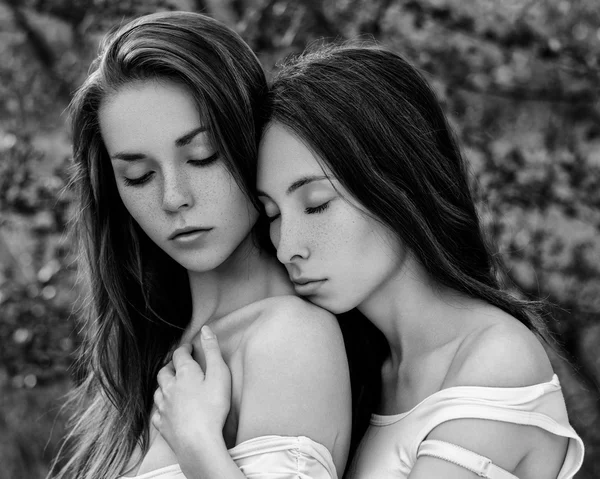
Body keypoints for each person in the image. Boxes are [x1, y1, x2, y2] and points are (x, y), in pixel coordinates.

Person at [157, 44, 585, 478]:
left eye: (317, 204)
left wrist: (199, 446)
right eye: (272, 215)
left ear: (396, 182)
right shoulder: (365, 372)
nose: (288, 247)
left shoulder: (495, 360)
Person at [49, 12, 356, 479]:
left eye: (202, 156)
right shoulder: (153, 352)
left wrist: (197, 444)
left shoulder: (289, 338)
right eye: (139, 176)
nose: (174, 197)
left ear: (249, 141)